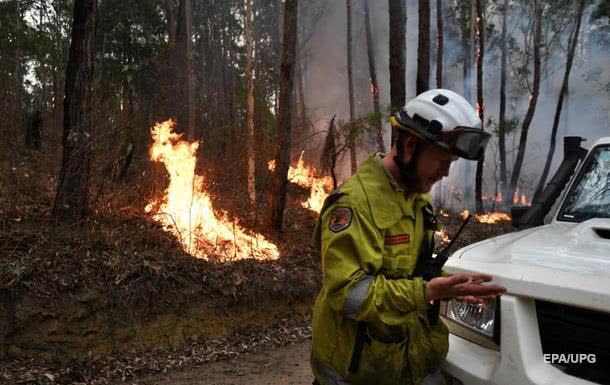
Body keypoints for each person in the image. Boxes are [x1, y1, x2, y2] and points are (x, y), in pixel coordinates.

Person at [310, 89, 507, 385]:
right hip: (357, 371)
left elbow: (412, 269)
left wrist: (448, 284)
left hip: (406, 361)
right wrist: (426, 293)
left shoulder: (418, 200)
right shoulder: (353, 203)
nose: (445, 172)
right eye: (441, 160)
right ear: (410, 146)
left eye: (451, 163)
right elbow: (347, 295)